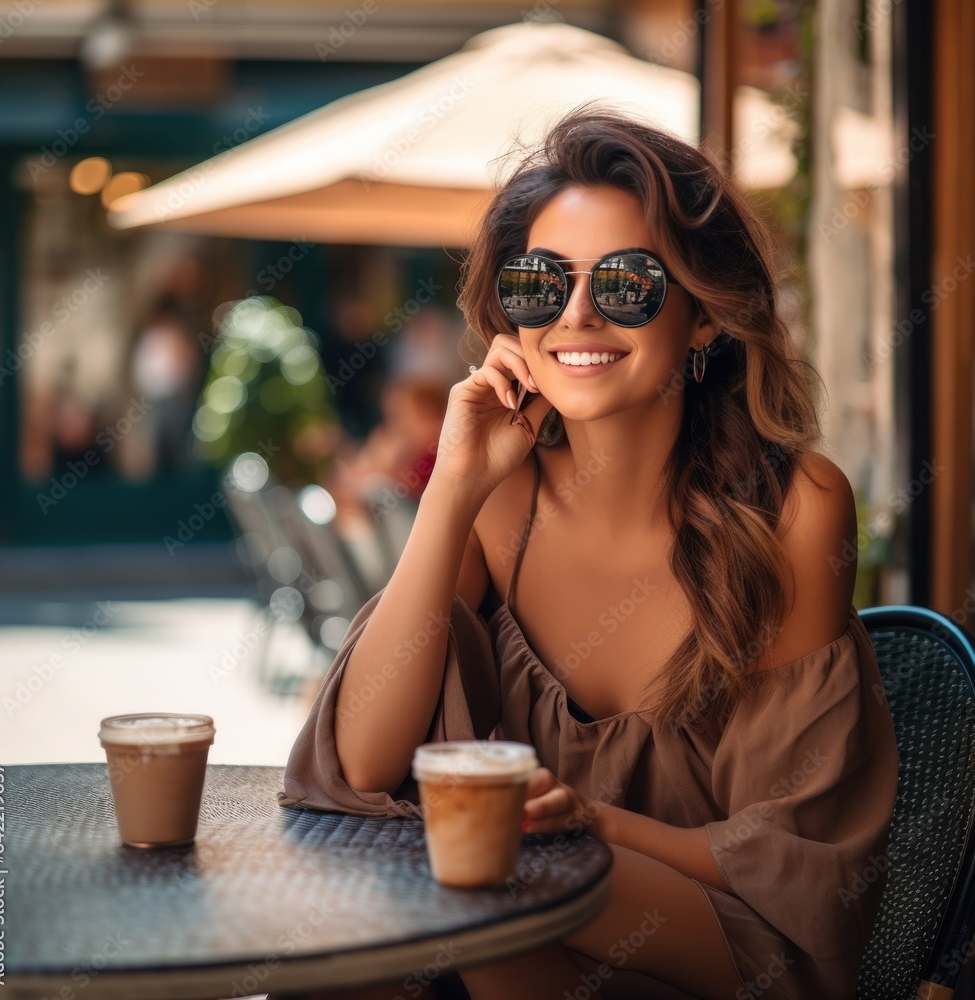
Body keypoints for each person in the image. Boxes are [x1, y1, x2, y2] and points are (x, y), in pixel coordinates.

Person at [278, 107, 898, 1000]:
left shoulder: (797, 509)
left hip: (728, 940)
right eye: (541, 284)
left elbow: (788, 862)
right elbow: (363, 765)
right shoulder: (497, 503)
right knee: (350, 950)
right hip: (505, 916)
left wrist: (594, 825)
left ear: (702, 320)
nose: (576, 314)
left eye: (628, 284)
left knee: (474, 876)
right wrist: (453, 488)